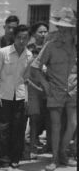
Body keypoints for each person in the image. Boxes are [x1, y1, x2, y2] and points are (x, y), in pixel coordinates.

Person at [30, 7, 77, 171]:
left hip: (73, 90)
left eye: (66, 29)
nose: (62, 32)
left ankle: (63, 152)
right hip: (55, 90)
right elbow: (35, 67)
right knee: (55, 127)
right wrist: (46, 84)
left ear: (73, 29)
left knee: (73, 124)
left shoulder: (76, 46)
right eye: (60, 28)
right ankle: (55, 158)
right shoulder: (50, 45)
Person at [0, 25, 33, 169]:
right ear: (14, 37)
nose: (22, 40)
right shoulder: (3, 52)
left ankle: (15, 158)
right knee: (3, 129)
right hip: (4, 95)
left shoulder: (29, 55)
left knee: (18, 128)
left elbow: (26, 79)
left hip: (20, 96)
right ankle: (3, 160)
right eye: (19, 37)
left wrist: (26, 98)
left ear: (29, 39)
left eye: (25, 38)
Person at [26, 21, 50, 159]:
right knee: (34, 118)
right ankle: (32, 146)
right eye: (40, 32)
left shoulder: (50, 47)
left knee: (48, 117)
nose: (43, 34)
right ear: (34, 34)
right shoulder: (29, 49)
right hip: (33, 88)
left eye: (45, 31)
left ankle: (49, 145)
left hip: (48, 88)